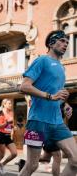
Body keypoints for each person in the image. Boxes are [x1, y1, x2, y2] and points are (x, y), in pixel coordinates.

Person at [19, 30, 77, 176]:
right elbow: (24, 86)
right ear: (52, 43)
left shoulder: (62, 68)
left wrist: (66, 104)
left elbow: (58, 93)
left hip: (57, 122)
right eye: (62, 41)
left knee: (75, 160)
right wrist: (50, 96)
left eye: (67, 42)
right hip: (38, 121)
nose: (66, 44)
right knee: (32, 165)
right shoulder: (42, 60)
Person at [0, 99, 17, 175]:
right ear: (4, 104)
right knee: (2, 155)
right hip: (1, 135)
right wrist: (7, 122)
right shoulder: (1, 113)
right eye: (9, 103)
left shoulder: (11, 112)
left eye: (11, 103)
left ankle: (2, 164)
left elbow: (10, 125)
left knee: (14, 153)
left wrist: (13, 127)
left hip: (8, 135)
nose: (11, 105)